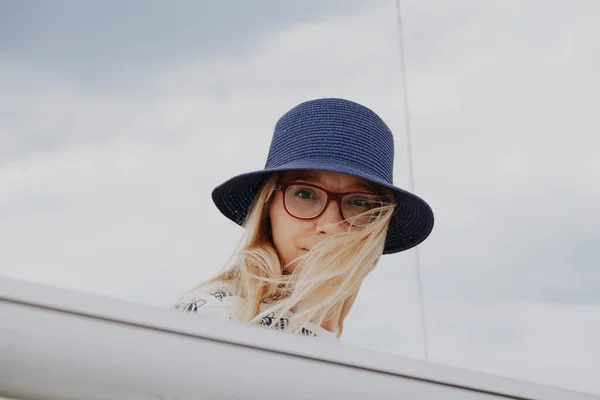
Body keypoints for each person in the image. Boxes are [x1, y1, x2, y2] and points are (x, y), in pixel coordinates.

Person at [174, 98, 434, 340]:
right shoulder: (215, 316)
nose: (331, 225)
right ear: (267, 208)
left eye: (359, 203)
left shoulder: (344, 351)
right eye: (305, 194)